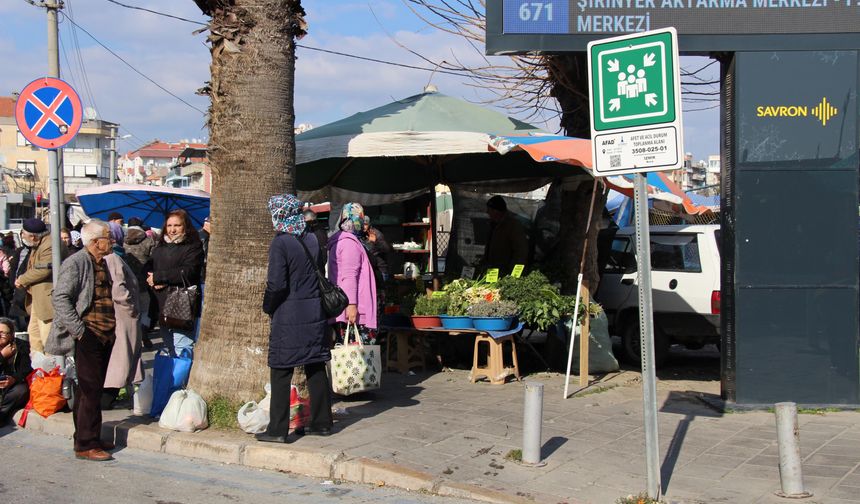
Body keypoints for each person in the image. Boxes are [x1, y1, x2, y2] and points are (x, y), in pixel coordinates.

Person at [257, 194, 333, 443]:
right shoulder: (311, 238)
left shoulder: (280, 243)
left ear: (278, 215)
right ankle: (322, 423)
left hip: (288, 316)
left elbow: (277, 284)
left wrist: (268, 306)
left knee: (280, 369)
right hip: (314, 313)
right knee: (315, 365)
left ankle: (277, 430)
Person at [48, 220, 116, 461]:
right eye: (109, 236)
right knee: (89, 389)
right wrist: (80, 331)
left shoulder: (103, 262)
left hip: (105, 334)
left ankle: (91, 436)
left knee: (93, 389)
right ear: (96, 242)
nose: (113, 240)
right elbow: (60, 298)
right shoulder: (76, 262)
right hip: (89, 334)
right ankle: (85, 445)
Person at [147, 210, 204, 357]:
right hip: (161, 304)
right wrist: (151, 280)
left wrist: (160, 278)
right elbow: (147, 268)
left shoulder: (194, 246)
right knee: (170, 347)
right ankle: (172, 380)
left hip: (182, 304)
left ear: (185, 226)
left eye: (177, 225)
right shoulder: (160, 247)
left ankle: (179, 380)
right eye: (169, 225)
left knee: (182, 348)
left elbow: (189, 271)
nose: (172, 230)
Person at [327, 203, 377, 345]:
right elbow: (349, 276)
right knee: (356, 357)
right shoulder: (349, 243)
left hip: (348, 307)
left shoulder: (345, 240)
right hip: (354, 310)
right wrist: (352, 305)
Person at [102, 252, 144, 410]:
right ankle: (109, 397)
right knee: (122, 357)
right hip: (123, 315)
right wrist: (130, 307)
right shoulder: (112, 258)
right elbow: (118, 288)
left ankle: (113, 394)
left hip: (120, 315)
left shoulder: (108, 258)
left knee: (122, 356)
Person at [15, 218, 60, 355]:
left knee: (47, 339)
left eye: (24, 234)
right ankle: (39, 369)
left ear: (33, 236)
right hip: (37, 299)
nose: (22, 237)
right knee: (34, 336)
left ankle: (52, 371)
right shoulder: (39, 244)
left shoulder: (50, 245)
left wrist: (22, 279)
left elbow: (43, 269)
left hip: (47, 300)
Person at [124, 217, 156, 346]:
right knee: (144, 308)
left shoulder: (122, 241)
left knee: (130, 309)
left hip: (126, 281)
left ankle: (131, 335)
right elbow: (155, 261)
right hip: (144, 281)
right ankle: (144, 331)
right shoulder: (149, 241)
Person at [483, 195, 529, 275]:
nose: (487, 212)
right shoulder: (493, 225)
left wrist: (513, 275)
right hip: (493, 271)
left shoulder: (513, 226)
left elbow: (521, 252)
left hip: (505, 272)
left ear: (496, 211)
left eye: (489, 210)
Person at [0, 318, 31, 424]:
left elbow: (26, 369)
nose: (0, 336)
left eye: (4, 333)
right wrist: (2, 356)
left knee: (21, 390)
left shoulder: (20, 345)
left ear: (11, 335)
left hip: (10, 385)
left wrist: (13, 379)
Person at [363, 215, 391, 283]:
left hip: (379, 269)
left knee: (382, 290)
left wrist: (376, 242)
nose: (363, 226)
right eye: (362, 224)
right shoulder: (361, 235)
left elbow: (387, 249)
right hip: (368, 268)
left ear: (369, 224)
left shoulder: (376, 234)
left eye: (365, 224)